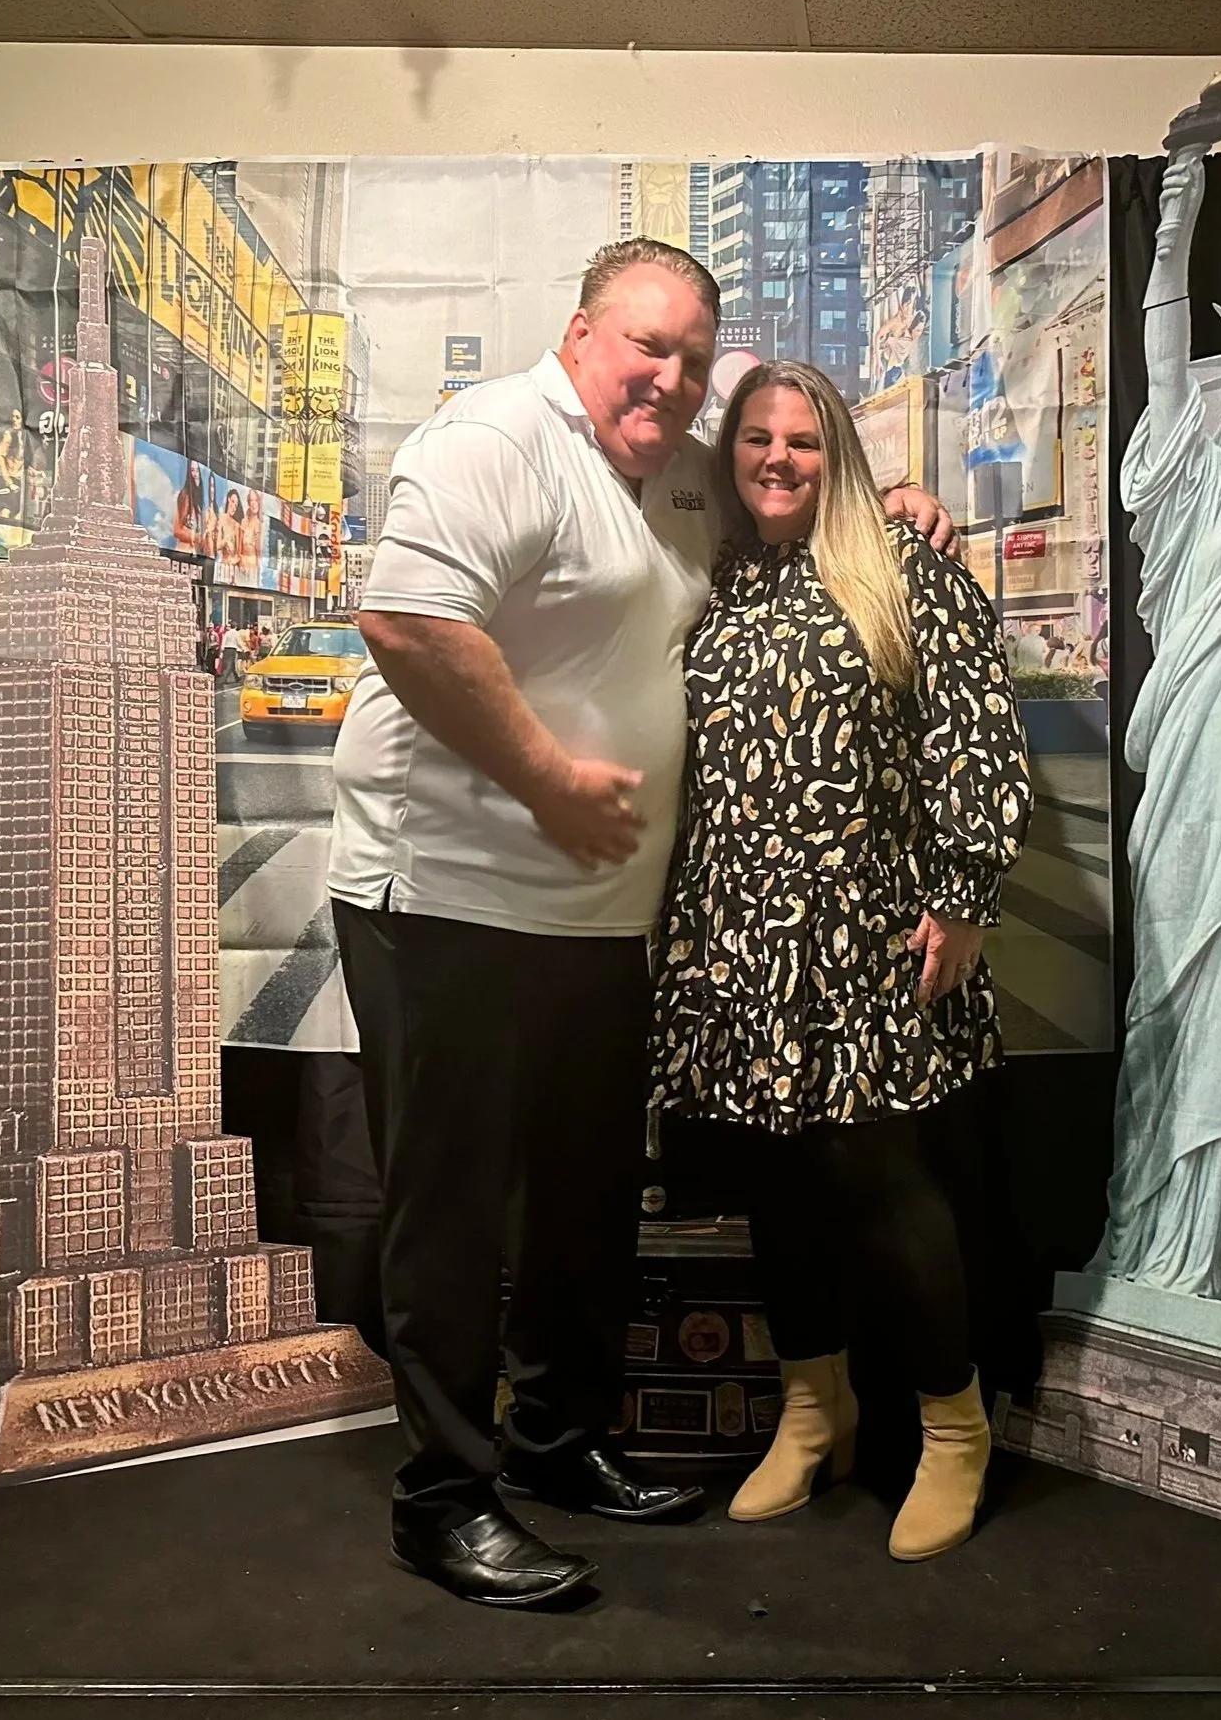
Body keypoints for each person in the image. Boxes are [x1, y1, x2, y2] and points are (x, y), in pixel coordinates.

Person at [327, 238, 954, 1608]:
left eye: (688, 356)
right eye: (641, 348)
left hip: (603, 920)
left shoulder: (678, 440)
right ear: (579, 335)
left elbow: (794, 437)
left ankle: (555, 1441)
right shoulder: (492, 437)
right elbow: (406, 621)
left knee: (584, 1200)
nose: (665, 377)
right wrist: (550, 780)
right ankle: (443, 1498)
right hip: (448, 894)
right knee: (448, 1210)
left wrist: (890, 489)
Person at [649, 360, 1031, 1562]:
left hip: (868, 943)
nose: (777, 457)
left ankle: (953, 1424)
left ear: (841, 456)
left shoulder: (905, 569)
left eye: (804, 441)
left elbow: (978, 734)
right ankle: (816, 1408)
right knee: (779, 1185)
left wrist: (964, 894)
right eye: (757, 437)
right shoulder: (715, 581)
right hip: (737, 944)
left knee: (886, 1184)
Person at [1087, 145, 1221, 1302]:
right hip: (1197, 770)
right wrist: (1177, 213)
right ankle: (1160, 1232)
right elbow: (1162, 358)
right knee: (1175, 992)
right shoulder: (1192, 486)